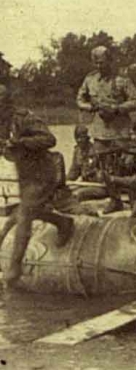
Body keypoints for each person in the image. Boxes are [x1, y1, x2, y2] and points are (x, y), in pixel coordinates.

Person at [0, 84, 74, 286]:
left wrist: (22, 142)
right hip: (25, 175)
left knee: (24, 214)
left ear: (7, 104)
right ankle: (62, 223)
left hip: (44, 172)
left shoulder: (25, 118)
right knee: (25, 212)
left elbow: (50, 139)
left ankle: (13, 271)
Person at [76, 45, 136, 213]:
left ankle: (134, 200)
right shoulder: (90, 79)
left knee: (127, 165)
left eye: (103, 62)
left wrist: (117, 108)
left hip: (120, 130)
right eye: (96, 63)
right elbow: (79, 99)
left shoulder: (122, 80)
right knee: (104, 167)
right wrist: (90, 107)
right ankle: (115, 199)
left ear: (110, 61)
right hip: (100, 130)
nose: (99, 66)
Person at [67, 124, 108, 202]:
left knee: (78, 194)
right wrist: (63, 182)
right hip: (85, 184)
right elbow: (73, 173)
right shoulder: (77, 151)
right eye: (77, 137)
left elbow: (105, 173)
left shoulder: (96, 150)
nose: (79, 140)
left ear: (87, 137)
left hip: (99, 186)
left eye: (81, 137)